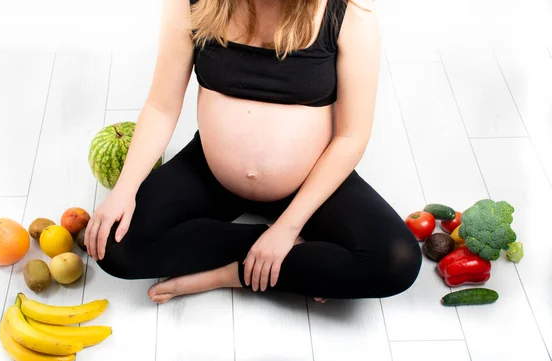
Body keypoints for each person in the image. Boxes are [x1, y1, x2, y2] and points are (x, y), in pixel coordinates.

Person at [84, 0, 422, 304]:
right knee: (114, 245)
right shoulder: (190, 3)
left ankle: (230, 275)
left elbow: (352, 136)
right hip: (212, 173)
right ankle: (293, 259)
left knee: (396, 260)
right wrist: (125, 190)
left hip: (310, 177)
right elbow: (161, 106)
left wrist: (288, 227)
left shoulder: (350, 12)